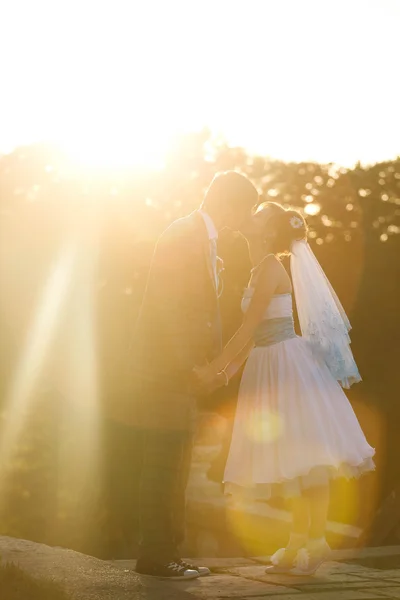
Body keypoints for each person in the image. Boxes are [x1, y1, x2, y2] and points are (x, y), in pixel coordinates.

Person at [193, 201, 375, 576]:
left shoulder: (273, 268)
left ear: (269, 231)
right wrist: (228, 372)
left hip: (285, 364)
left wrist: (214, 368)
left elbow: (247, 329)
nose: (250, 217)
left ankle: (312, 542)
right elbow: (253, 336)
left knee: (307, 457)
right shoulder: (259, 268)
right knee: (292, 460)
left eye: (257, 215)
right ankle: (300, 543)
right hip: (266, 362)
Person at [130, 171, 259, 579]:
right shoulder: (185, 234)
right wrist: (190, 367)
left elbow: (194, 305)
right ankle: (156, 556)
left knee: (176, 462)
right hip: (166, 370)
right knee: (164, 465)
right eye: (245, 210)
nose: (243, 222)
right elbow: (171, 307)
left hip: (174, 370)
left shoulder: (201, 239)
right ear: (228, 203)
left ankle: (167, 553)